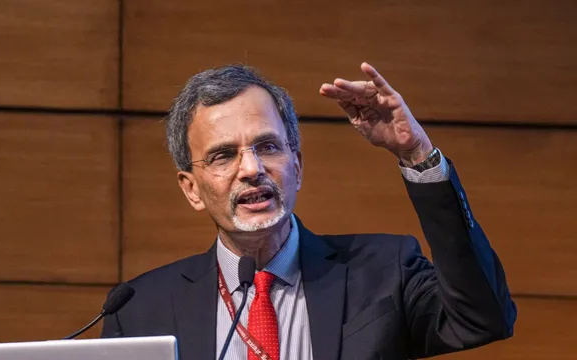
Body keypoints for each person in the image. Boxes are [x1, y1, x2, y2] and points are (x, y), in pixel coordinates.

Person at [101, 62, 517, 360]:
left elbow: (483, 319)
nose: (252, 169)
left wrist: (416, 154)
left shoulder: (386, 273)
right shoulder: (139, 310)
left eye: (268, 147)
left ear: (296, 166)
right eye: (224, 155)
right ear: (191, 189)